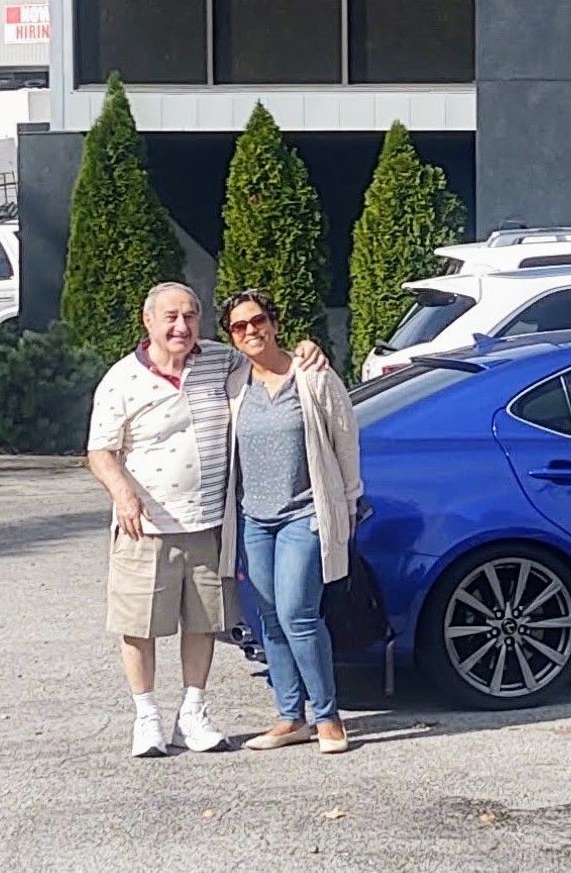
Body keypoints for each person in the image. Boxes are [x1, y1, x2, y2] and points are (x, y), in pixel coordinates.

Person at [86, 281, 329, 758]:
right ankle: (147, 717)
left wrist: (306, 348)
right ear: (148, 321)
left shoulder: (222, 361)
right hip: (147, 526)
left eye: (191, 316)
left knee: (203, 623)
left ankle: (192, 713)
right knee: (139, 626)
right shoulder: (121, 379)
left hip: (208, 523)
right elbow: (100, 451)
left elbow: (267, 358)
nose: (181, 326)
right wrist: (124, 495)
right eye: (171, 317)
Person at [222, 288, 364, 755]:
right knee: (270, 619)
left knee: (298, 614)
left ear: (274, 323)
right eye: (239, 327)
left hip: (305, 513)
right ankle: (289, 717)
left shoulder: (313, 376)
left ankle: (327, 717)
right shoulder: (233, 381)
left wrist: (349, 502)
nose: (251, 331)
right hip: (254, 519)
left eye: (257, 320)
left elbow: (345, 441)